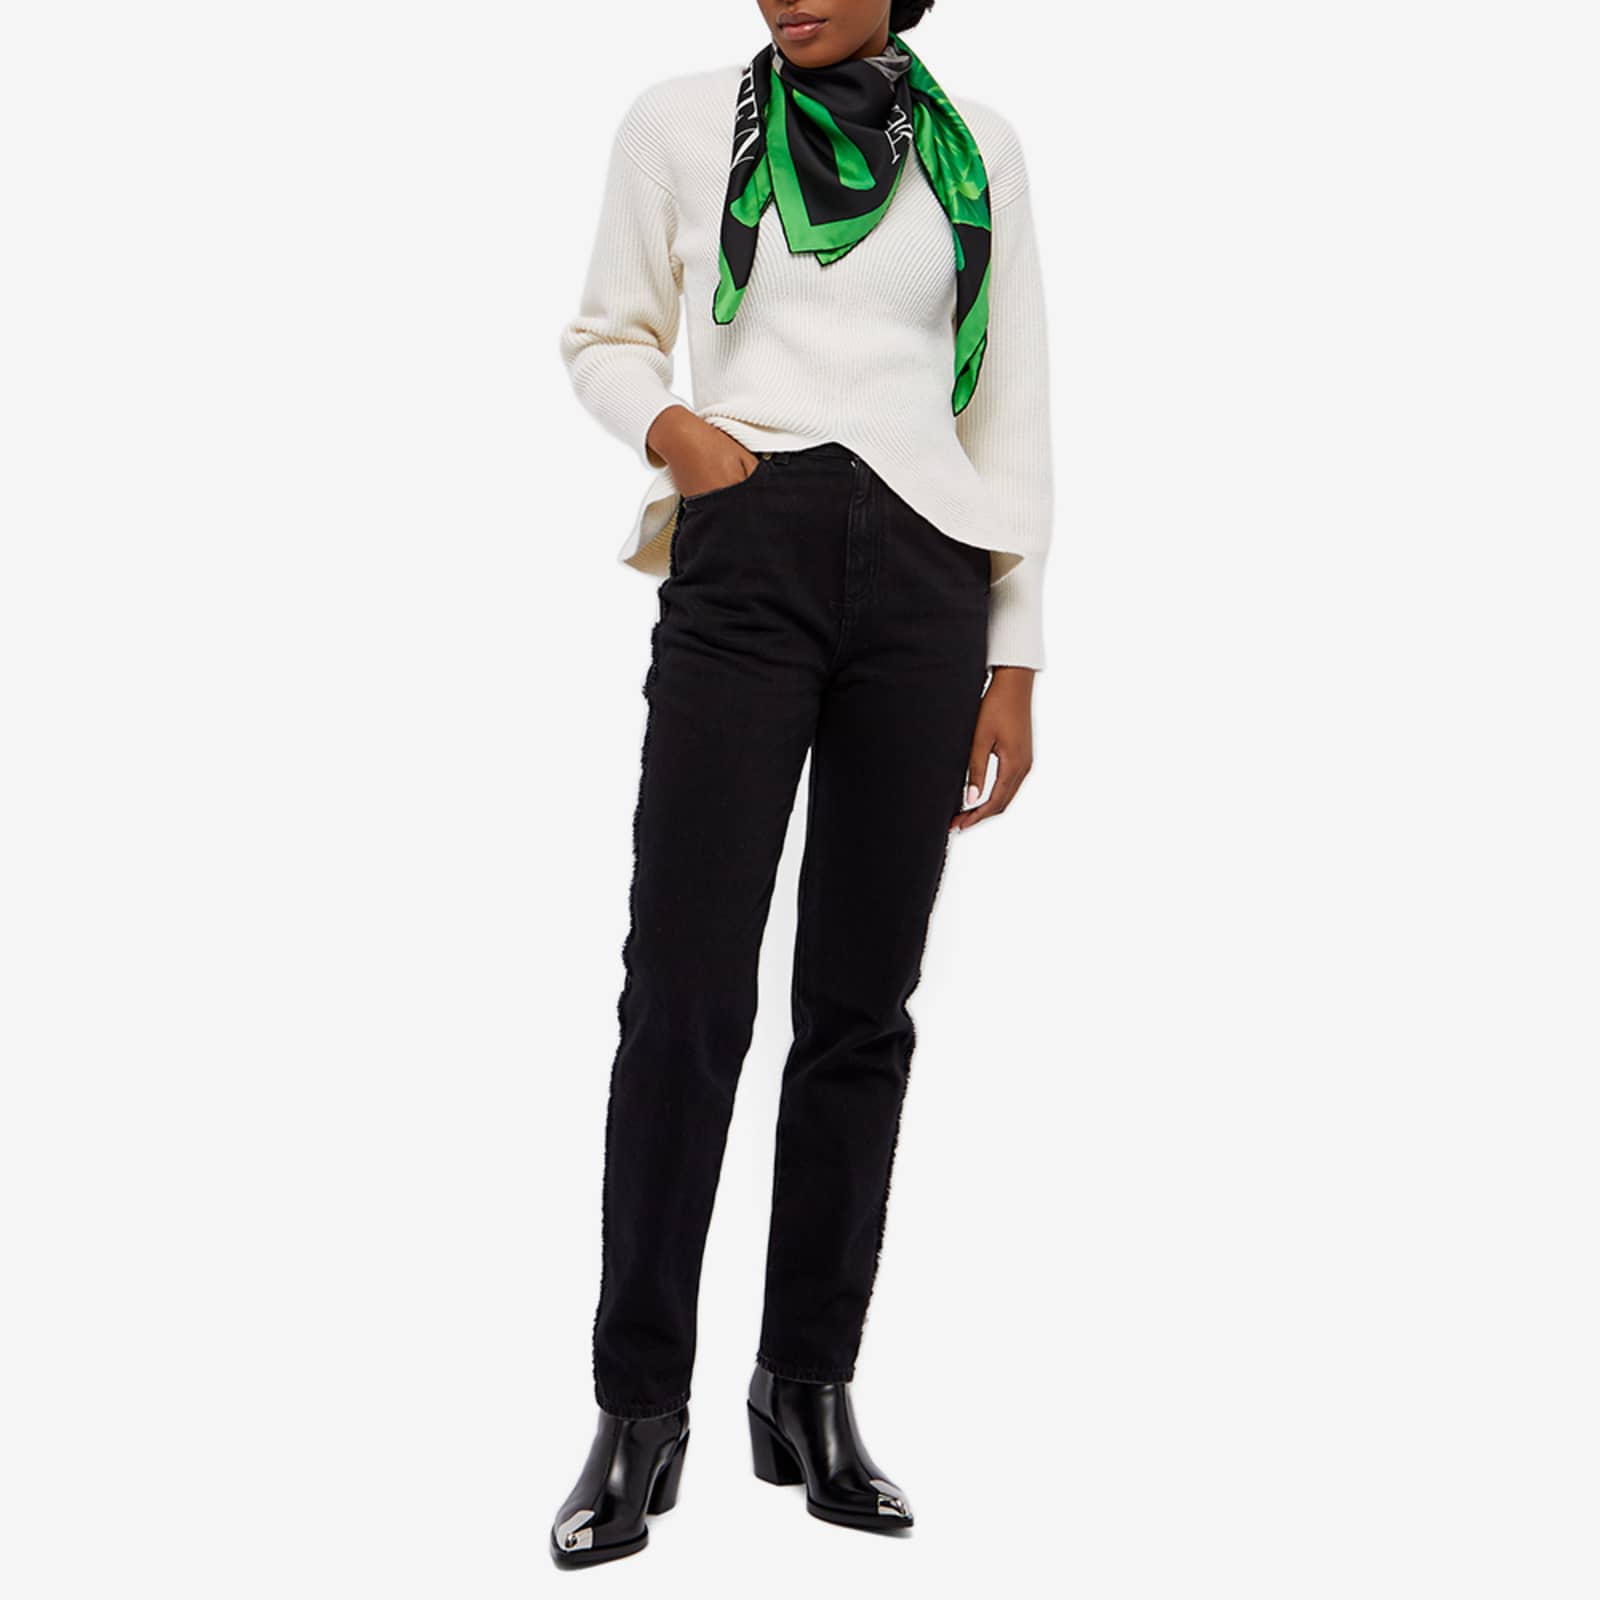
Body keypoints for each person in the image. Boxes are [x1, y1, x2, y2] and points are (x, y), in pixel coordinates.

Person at [550, 0, 1052, 1565]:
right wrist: (679, 433)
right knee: (685, 996)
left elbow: (1009, 406)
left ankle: (807, 1385)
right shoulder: (683, 120)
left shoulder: (978, 153)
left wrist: (1015, 655)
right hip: (747, 559)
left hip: (927, 575)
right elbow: (604, 334)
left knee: (860, 1007)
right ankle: (641, 1408)